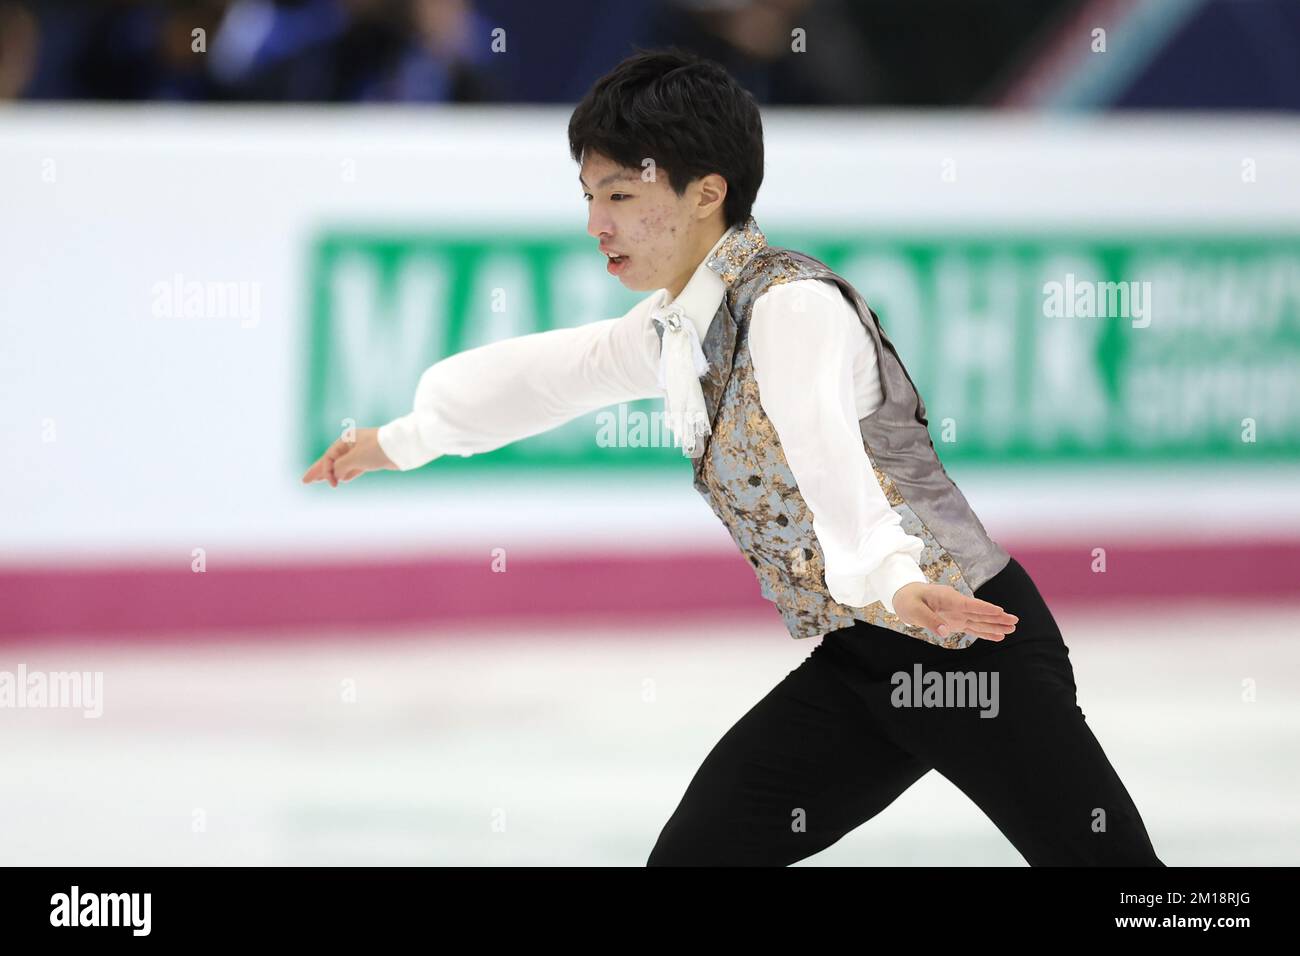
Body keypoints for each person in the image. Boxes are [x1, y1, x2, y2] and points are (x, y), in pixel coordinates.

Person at [302, 47, 1164, 867]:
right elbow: (546, 377)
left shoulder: (792, 309)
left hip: (970, 650)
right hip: (868, 656)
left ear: (707, 191)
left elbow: (833, 466)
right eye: (587, 195)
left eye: (618, 194)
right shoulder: (679, 328)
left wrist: (891, 576)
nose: (596, 223)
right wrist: (398, 441)